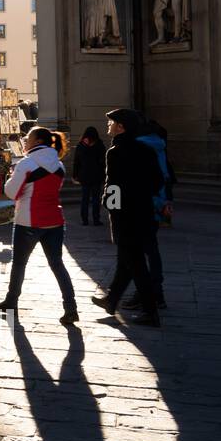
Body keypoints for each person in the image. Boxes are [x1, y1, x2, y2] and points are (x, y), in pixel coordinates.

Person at [0, 127, 78, 325]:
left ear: (38, 141)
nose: (24, 140)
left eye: (28, 137)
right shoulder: (59, 165)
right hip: (54, 220)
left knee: (19, 264)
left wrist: (9, 178)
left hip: (28, 220)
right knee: (57, 265)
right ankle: (71, 307)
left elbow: (12, 193)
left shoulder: (26, 164)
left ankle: (11, 301)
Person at [92, 108, 163, 327]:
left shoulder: (115, 151)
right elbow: (157, 182)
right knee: (126, 261)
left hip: (125, 216)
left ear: (121, 127)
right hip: (144, 213)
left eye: (111, 123)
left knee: (136, 264)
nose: (108, 126)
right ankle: (111, 300)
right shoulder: (146, 149)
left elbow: (112, 186)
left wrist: (110, 206)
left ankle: (151, 311)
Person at [128, 120, 173, 311]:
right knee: (150, 251)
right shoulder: (159, 146)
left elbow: (138, 179)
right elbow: (164, 176)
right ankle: (156, 293)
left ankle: (148, 294)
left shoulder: (140, 147)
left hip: (142, 205)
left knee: (136, 253)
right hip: (156, 202)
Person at [72, 126, 106, 226]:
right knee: (96, 199)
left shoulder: (81, 145)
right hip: (97, 175)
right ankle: (96, 219)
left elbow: (76, 162)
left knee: (85, 199)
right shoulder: (100, 145)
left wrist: (75, 175)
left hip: (84, 175)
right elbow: (103, 161)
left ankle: (84, 220)